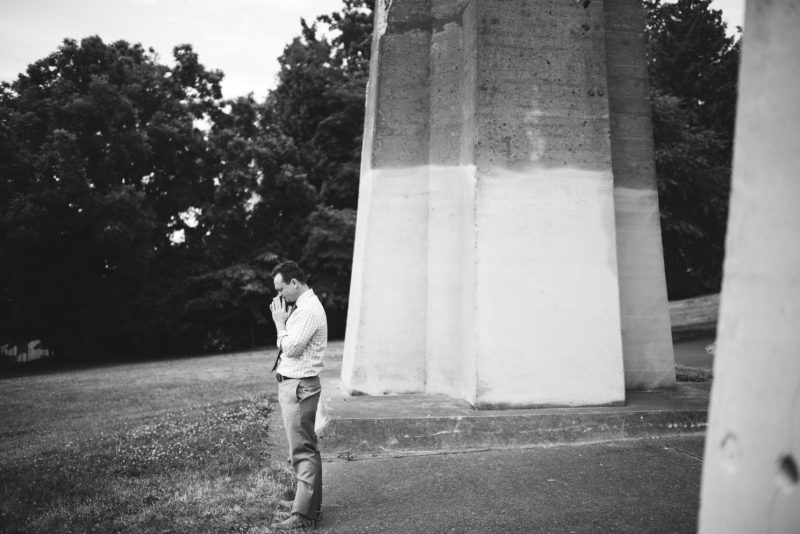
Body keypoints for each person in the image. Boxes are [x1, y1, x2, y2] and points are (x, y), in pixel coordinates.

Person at [268, 260, 328, 531]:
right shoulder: (302, 307)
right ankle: (307, 503)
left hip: (300, 386)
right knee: (301, 447)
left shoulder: (307, 311)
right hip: (295, 384)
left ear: (294, 283)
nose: (279, 296)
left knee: (303, 449)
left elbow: (290, 348)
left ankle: (304, 515)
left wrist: (280, 323)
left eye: (281, 289)